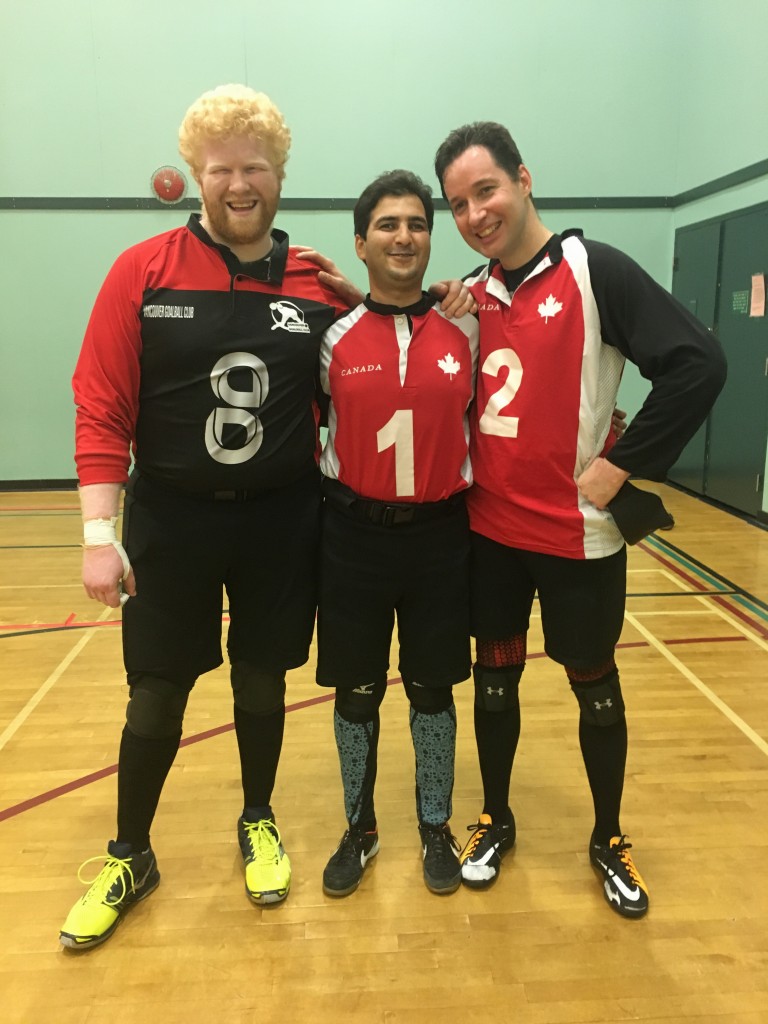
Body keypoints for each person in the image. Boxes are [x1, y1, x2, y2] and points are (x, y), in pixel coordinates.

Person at [60, 84, 355, 949]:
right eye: (221, 168)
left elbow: (369, 381)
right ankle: (130, 853)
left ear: (279, 175)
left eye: (254, 167)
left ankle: (257, 817)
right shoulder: (141, 271)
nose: (239, 184)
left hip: (279, 519)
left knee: (262, 677)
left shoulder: (317, 284)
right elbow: (100, 407)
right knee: (156, 691)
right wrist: (98, 538)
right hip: (172, 519)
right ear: (195, 173)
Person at [433, 122, 727, 918]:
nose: (475, 213)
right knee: (494, 679)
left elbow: (699, 364)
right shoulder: (471, 294)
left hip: (579, 537)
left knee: (593, 685)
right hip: (490, 535)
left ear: (524, 180)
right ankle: (495, 819)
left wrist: (622, 466)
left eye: (485, 191)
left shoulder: (596, 271)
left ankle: (607, 837)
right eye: (458, 204)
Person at [316, 171, 479, 897]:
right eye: (387, 225)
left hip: (442, 540)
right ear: (361, 243)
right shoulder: (332, 340)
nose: (404, 236)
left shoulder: (467, 328)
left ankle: (435, 826)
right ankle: (359, 828)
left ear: (429, 237)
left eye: (416, 223)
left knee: (433, 691)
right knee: (355, 694)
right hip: (353, 539)